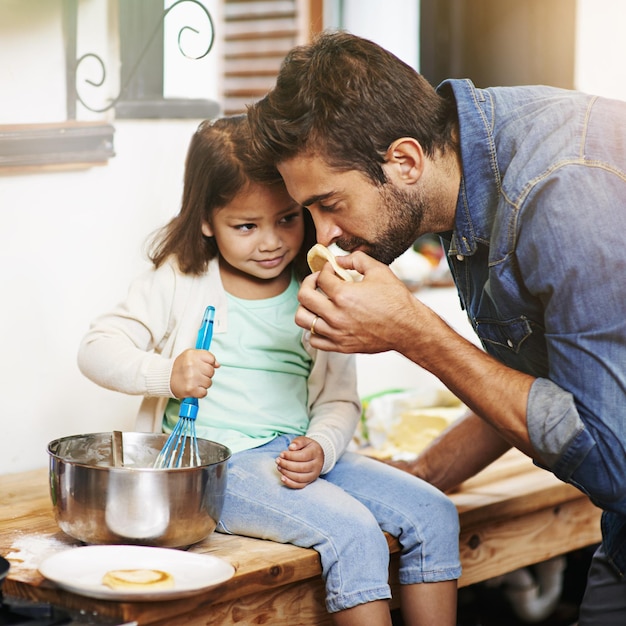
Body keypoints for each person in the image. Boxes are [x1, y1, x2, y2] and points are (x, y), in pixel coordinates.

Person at [246, 30, 626, 625]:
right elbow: (544, 374)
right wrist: (427, 473)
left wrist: (412, 329)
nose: (322, 236)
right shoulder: (467, 178)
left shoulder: (560, 190)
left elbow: (612, 456)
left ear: (403, 160)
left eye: (331, 203)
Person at [77, 114, 461, 626]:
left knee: (435, 514)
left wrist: (322, 446)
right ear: (206, 221)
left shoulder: (322, 290)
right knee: (353, 532)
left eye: (286, 219)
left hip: (300, 455)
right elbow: (97, 349)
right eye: (246, 226)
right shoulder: (180, 281)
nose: (272, 241)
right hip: (219, 467)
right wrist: (166, 374)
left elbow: (338, 401)